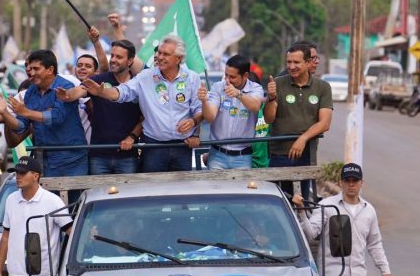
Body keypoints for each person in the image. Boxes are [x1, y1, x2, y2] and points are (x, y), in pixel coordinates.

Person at [82, 34, 202, 172]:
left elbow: (199, 110)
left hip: (183, 147)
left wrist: (193, 124)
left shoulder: (192, 78)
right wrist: (102, 92)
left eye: (166, 54)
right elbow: (123, 92)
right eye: (159, 53)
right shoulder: (146, 76)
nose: (160, 57)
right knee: (151, 190)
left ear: (179, 59)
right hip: (153, 147)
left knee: (181, 190)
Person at [0, 50, 88, 179]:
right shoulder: (31, 91)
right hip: (44, 160)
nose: (31, 73)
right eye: (29, 68)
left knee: (76, 199)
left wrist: (26, 112)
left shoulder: (65, 86)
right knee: (49, 199)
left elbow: (56, 117)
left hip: (72, 159)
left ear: (50, 69)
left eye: (36, 69)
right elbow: (21, 126)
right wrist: (4, 114)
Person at [58, 39, 143, 175]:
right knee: (98, 195)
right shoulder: (99, 80)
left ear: (130, 60)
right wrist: (68, 95)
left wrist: (132, 137)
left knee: (127, 196)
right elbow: (80, 90)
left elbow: (144, 118)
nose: (113, 60)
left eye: (119, 57)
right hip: (98, 156)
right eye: (112, 55)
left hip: (127, 157)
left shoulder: (140, 83)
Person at [264, 43, 333, 200]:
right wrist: (271, 97)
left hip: (306, 154)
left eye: (296, 62)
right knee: (277, 200)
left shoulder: (322, 87)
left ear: (308, 63)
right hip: (279, 154)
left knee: (301, 202)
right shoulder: (278, 83)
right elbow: (269, 118)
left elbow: (325, 123)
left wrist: (302, 138)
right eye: (289, 62)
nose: (291, 66)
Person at [198, 55, 265, 169]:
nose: (227, 80)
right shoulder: (218, 87)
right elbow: (210, 117)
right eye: (226, 75)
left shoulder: (255, 88)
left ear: (245, 76)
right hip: (217, 155)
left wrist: (238, 94)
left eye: (232, 77)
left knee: (242, 187)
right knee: (214, 187)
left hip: (243, 157)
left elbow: (255, 107)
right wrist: (204, 101)